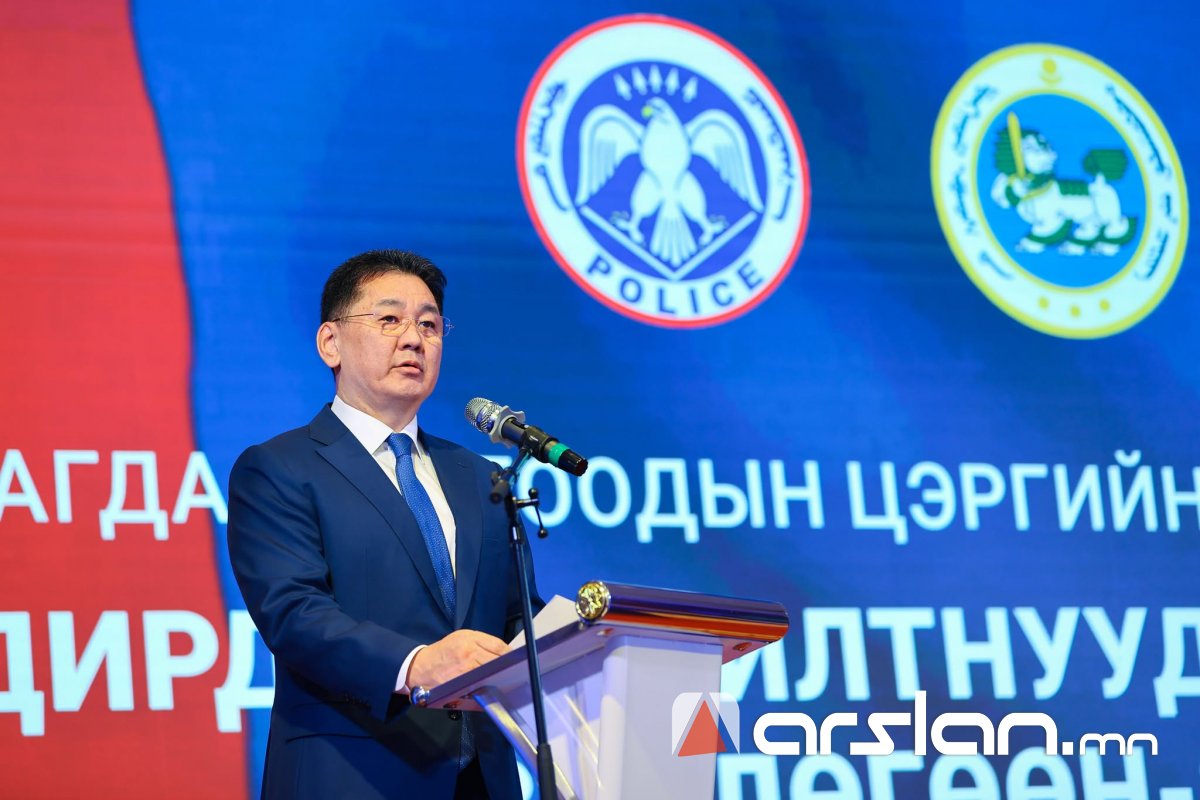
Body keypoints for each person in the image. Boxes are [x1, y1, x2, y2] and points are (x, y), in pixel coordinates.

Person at [227, 249, 537, 799]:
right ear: (330, 343)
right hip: (350, 773)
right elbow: (295, 614)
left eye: (429, 325)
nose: (414, 339)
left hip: (482, 781)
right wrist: (415, 664)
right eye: (389, 319)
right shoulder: (279, 468)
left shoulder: (479, 475)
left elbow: (518, 617)